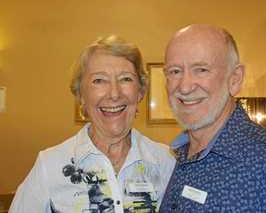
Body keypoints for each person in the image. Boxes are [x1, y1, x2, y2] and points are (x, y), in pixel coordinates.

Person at [159, 24, 266, 212]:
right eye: (175, 71)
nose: (184, 87)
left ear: (235, 79)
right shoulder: (178, 156)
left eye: (201, 70)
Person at [9, 35, 175, 213]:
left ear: (140, 91)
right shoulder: (50, 165)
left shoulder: (166, 161)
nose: (114, 94)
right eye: (99, 80)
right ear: (81, 95)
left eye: (126, 79)